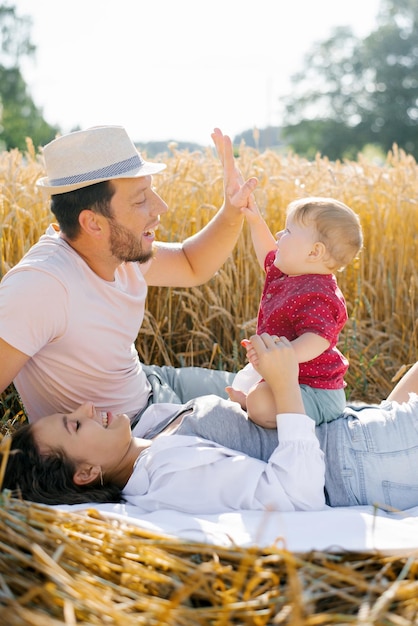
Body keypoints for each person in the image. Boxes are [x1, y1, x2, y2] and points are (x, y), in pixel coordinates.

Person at [0, 125, 258, 425]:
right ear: (93, 224)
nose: (160, 207)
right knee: (279, 420)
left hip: (156, 384)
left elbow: (191, 264)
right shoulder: (41, 286)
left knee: (287, 391)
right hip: (140, 433)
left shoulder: (116, 251)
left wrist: (232, 209)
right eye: (140, 199)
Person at [4, 333, 418, 513]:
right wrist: (284, 384)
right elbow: (296, 495)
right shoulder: (167, 477)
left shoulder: (149, 432)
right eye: (75, 426)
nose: (87, 409)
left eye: (70, 414)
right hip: (360, 462)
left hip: (356, 431)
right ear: (87, 474)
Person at [227, 196, 363, 427]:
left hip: (317, 391)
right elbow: (268, 253)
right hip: (294, 383)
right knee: (251, 388)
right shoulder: (288, 273)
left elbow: (317, 339)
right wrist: (255, 219)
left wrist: (278, 356)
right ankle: (252, 399)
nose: (279, 235)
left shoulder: (319, 294)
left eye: (288, 231)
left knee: (260, 402)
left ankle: (253, 403)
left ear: (314, 252)